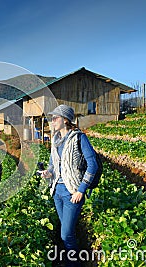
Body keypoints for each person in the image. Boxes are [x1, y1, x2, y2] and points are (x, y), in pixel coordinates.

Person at [39, 104, 98, 266]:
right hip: (57, 191)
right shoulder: (56, 139)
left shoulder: (79, 138)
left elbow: (93, 165)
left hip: (72, 192)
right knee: (67, 232)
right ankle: (70, 259)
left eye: (55, 118)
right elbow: (53, 165)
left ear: (65, 120)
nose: (52, 121)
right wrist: (48, 173)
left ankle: (74, 264)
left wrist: (81, 190)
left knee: (66, 234)